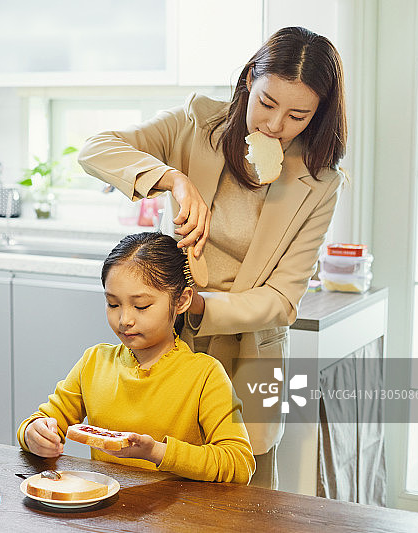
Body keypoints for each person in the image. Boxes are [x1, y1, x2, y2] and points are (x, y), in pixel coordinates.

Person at [77, 26, 347, 488]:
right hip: (167, 342)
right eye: (266, 103)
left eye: (298, 115)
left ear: (317, 115)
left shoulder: (320, 183)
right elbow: (96, 149)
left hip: (249, 356)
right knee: (150, 481)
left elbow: (283, 300)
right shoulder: (196, 123)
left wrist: (200, 306)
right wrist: (172, 180)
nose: (275, 126)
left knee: (245, 495)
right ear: (248, 82)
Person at [17, 232, 255, 484]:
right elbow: (39, 422)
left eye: (141, 306)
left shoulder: (205, 374)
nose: (124, 320)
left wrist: (157, 452)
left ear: (182, 300)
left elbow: (239, 464)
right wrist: (34, 434)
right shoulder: (94, 362)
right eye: (113, 304)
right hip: (107, 515)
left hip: (175, 517)